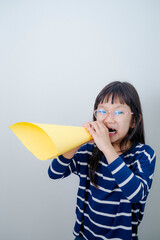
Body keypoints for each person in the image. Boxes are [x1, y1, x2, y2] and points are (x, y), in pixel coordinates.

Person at [48, 81, 156, 240]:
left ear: (134, 120)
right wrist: (76, 142)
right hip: (84, 236)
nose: (109, 119)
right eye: (102, 111)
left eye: (118, 112)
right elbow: (54, 173)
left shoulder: (143, 154)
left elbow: (135, 194)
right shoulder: (88, 151)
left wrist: (106, 147)